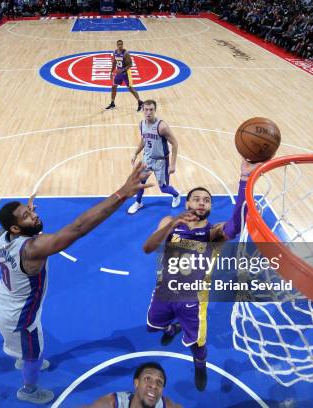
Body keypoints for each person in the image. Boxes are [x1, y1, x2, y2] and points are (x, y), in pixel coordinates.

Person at [0, 163, 154, 404]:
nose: (33, 214)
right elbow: (78, 228)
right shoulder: (33, 248)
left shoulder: (0, 237)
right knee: (34, 355)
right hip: (21, 315)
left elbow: (13, 234)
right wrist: (122, 193)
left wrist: (27, 222)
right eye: (27, 216)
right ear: (16, 228)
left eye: (30, 210)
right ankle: (28, 389)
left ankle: (23, 356)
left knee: (24, 347)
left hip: (2, 301)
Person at [142, 158, 261, 391]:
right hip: (164, 292)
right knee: (154, 326)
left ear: (209, 208)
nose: (201, 202)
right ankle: (172, 328)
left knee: (197, 342)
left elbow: (236, 225)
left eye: (206, 200)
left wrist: (244, 180)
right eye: (196, 198)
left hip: (193, 301)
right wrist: (172, 223)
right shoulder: (169, 221)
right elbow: (148, 247)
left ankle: (200, 365)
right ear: (187, 203)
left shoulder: (213, 233)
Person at [128, 100, 180, 214]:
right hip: (147, 158)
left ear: (155, 111)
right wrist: (136, 153)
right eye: (146, 109)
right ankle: (138, 202)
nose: (148, 112)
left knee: (163, 188)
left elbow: (175, 143)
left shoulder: (162, 127)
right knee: (140, 183)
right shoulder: (141, 124)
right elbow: (144, 140)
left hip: (161, 161)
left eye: (151, 110)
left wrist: (172, 164)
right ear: (143, 110)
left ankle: (176, 195)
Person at [87, 362, 182, 407]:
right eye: (147, 378)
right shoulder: (110, 404)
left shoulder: (167, 406)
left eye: (159, 382)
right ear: (136, 383)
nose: (154, 385)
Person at [105, 40, 144, 111]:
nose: (120, 46)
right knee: (113, 87)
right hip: (118, 73)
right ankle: (112, 103)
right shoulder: (115, 52)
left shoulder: (126, 53)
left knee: (130, 88)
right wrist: (111, 72)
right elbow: (114, 63)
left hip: (126, 73)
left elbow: (130, 64)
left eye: (121, 44)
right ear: (117, 45)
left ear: (123, 45)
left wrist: (122, 70)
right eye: (119, 44)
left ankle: (140, 102)